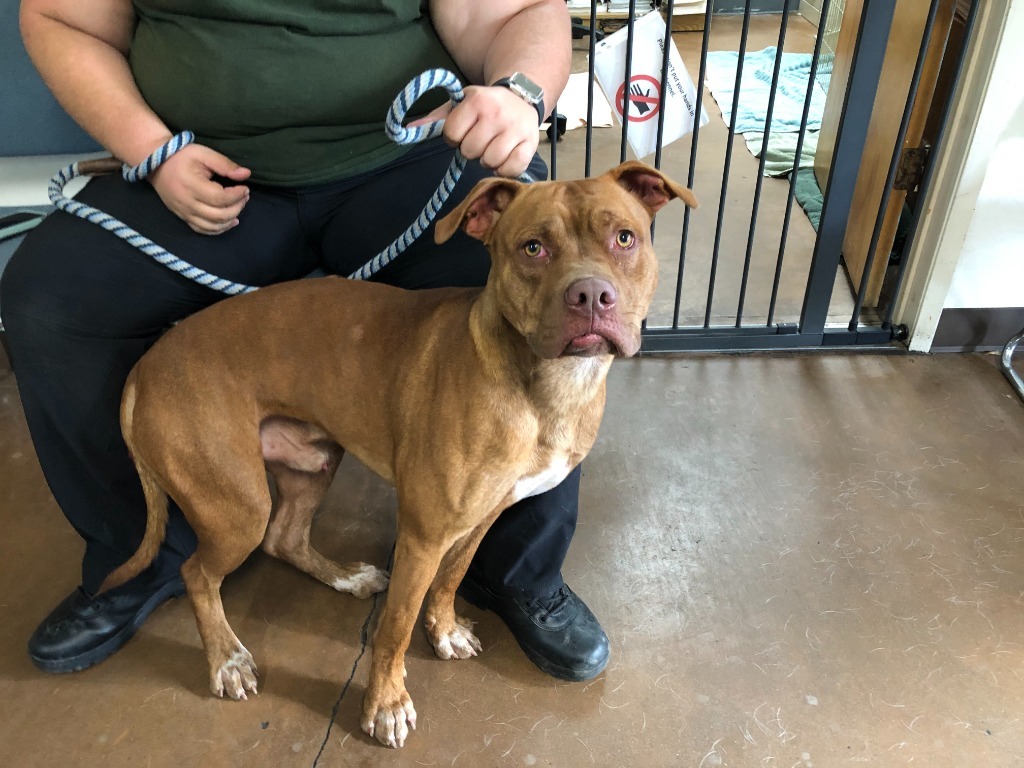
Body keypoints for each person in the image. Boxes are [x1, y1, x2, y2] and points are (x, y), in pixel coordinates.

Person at [2, 0, 610, 683]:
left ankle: (513, 570)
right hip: (198, 170)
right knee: (49, 301)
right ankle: (136, 558)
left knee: (537, 278)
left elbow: (516, 11)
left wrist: (518, 92)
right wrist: (150, 150)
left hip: (401, 161)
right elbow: (61, 20)